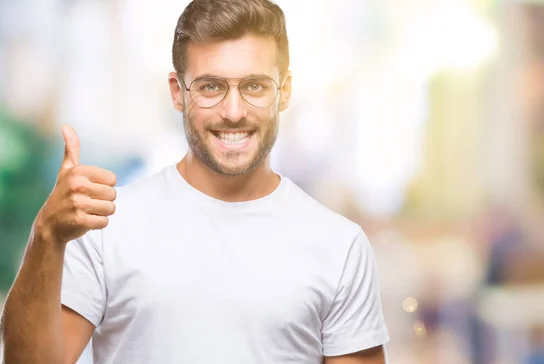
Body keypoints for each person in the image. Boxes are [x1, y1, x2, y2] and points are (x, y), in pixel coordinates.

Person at [0, 0, 390, 363]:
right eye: (210, 87)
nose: (233, 112)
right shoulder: (106, 226)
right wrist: (46, 237)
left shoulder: (340, 246)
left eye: (254, 86)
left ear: (283, 91)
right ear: (178, 93)